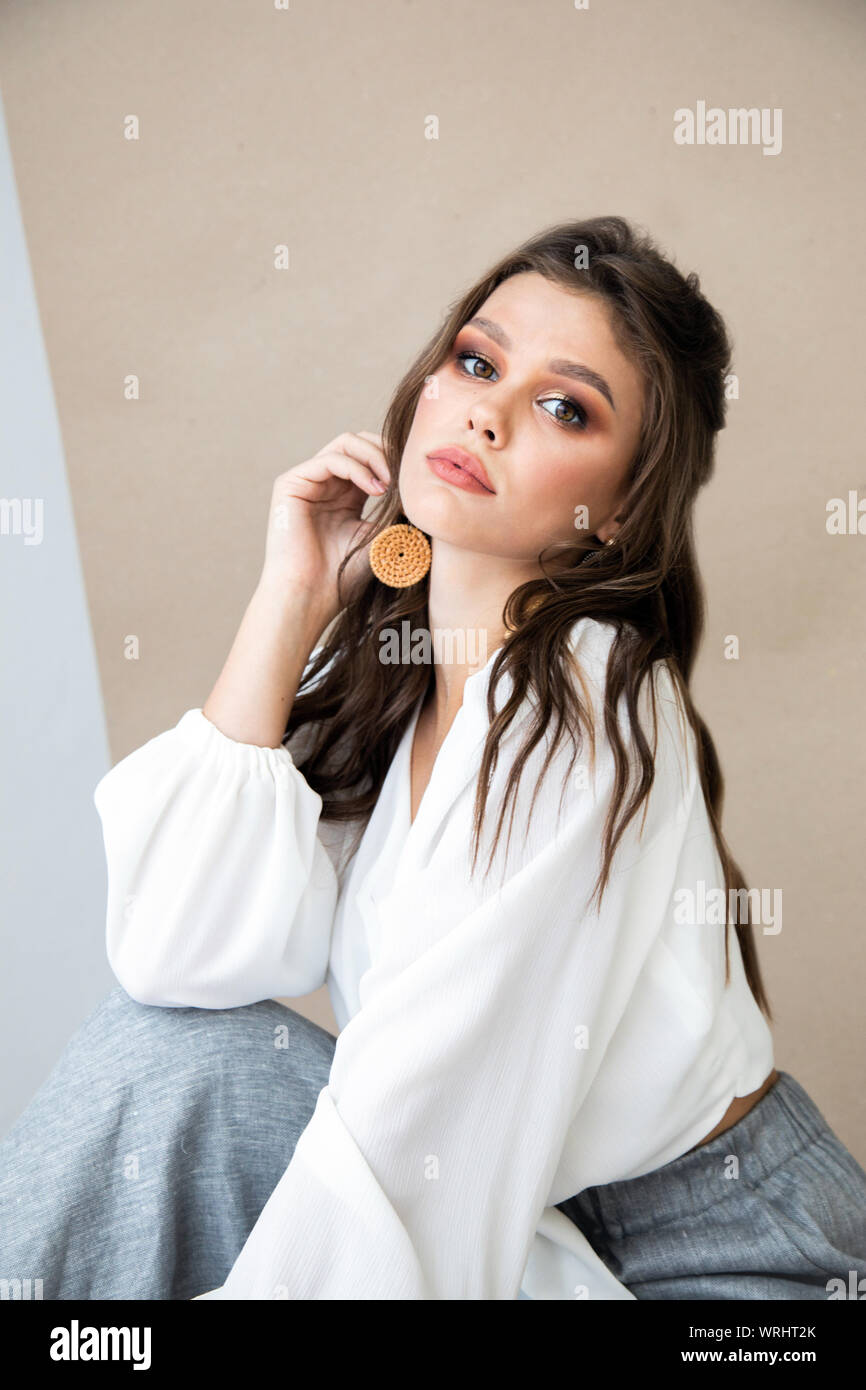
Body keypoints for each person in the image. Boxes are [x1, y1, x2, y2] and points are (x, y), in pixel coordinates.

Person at [2, 216, 865, 1301]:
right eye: (475, 359)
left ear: (617, 513)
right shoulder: (395, 673)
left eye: (563, 406)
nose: (486, 412)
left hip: (726, 1272)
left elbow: (419, 1163)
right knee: (170, 1059)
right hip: (521, 1212)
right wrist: (290, 598)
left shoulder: (582, 703)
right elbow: (178, 958)